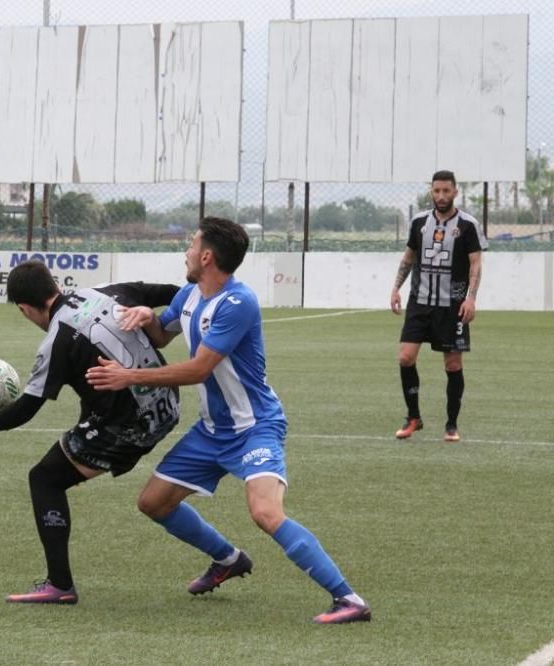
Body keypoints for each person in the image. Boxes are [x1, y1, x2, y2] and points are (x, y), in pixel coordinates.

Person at [86, 217, 371, 624]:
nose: (185, 250)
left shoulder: (239, 303)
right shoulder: (189, 294)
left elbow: (198, 369)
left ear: (206, 256)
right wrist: (147, 315)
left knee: (266, 513)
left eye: (191, 244)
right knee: (153, 502)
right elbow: (163, 335)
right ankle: (228, 559)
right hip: (211, 432)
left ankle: (349, 599)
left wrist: (129, 377)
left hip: (254, 427)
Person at [0, 260, 180, 604]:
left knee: (45, 478)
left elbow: (28, 408)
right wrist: (156, 321)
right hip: (169, 402)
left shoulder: (57, 339)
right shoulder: (108, 292)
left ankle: (59, 584)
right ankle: (226, 555)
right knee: (89, 412)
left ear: (24, 309)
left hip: (131, 427)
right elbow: (176, 294)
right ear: (54, 284)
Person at [390, 170, 485, 442]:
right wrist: (396, 287)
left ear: (455, 192)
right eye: (436, 191)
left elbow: (476, 263)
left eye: (446, 191)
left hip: (452, 304)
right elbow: (409, 257)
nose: (441, 196)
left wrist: (470, 297)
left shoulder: (467, 224)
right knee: (405, 357)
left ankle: (451, 424)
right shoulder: (419, 221)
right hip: (419, 302)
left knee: (453, 364)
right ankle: (413, 417)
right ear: (431, 192)